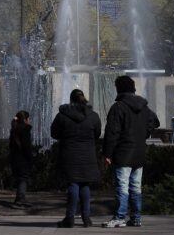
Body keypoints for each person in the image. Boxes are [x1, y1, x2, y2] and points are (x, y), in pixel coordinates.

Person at [102, 76, 160, 228]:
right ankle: (136, 218)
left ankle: (120, 217)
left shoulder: (118, 107)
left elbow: (112, 133)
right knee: (135, 187)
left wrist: (107, 154)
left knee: (122, 187)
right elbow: (155, 121)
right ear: (133, 88)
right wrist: (144, 134)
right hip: (139, 153)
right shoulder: (144, 106)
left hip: (122, 153)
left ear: (119, 88)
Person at [51, 89, 102, 228]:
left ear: (71, 100)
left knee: (73, 184)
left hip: (69, 154)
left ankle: (70, 218)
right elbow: (97, 133)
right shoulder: (93, 116)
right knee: (85, 185)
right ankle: (86, 218)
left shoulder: (62, 116)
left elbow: (54, 133)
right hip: (88, 155)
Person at [9, 110, 33, 209]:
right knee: (23, 178)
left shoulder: (14, 129)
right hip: (23, 158)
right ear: (26, 119)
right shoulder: (25, 130)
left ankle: (19, 198)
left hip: (15, 158)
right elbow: (26, 146)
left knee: (20, 179)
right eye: (29, 118)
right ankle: (20, 200)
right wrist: (30, 157)